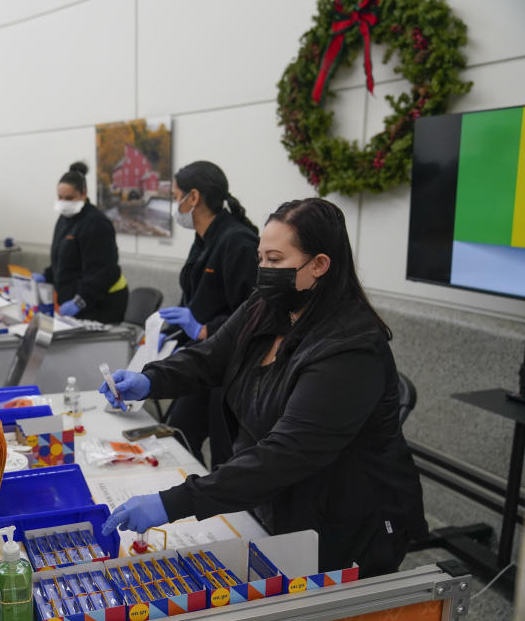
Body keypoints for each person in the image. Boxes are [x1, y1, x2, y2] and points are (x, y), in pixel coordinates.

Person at [99, 198, 427, 578]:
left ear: (319, 265)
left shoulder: (351, 348)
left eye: (275, 259)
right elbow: (211, 356)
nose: (263, 271)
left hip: (345, 524)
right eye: (260, 259)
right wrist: (152, 379)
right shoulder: (266, 305)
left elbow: (286, 454)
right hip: (273, 501)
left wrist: (174, 503)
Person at [157, 161, 259, 465]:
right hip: (202, 359)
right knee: (177, 436)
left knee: (224, 455)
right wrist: (162, 336)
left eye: (176, 198)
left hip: (231, 365)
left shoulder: (237, 241)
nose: (176, 206)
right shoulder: (203, 238)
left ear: (194, 197)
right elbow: (193, 299)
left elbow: (255, 312)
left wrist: (205, 329)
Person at [34, 162, 128, 323]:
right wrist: (47, 275)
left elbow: (103, 270)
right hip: (75, 301)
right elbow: (63, 259)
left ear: (84, 194)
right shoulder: (65, 219)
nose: (63, 202)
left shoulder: (96, 224)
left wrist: (81, 300)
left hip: (101, 303)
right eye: (60, 197)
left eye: (69, 198)